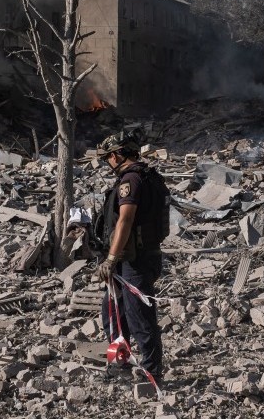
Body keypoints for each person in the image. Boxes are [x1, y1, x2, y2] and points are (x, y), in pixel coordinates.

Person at [94, 131, 166, 383]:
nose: (107, 163)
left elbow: (125, 219)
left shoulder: (132, 180)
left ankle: (151, 372)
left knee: (139, 316)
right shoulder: (147, 176)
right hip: (131, 257)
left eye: (107, 159)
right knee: (113, 311)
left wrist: (111, 259)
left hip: (135, 259)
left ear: (115, 155)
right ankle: (118, 364)